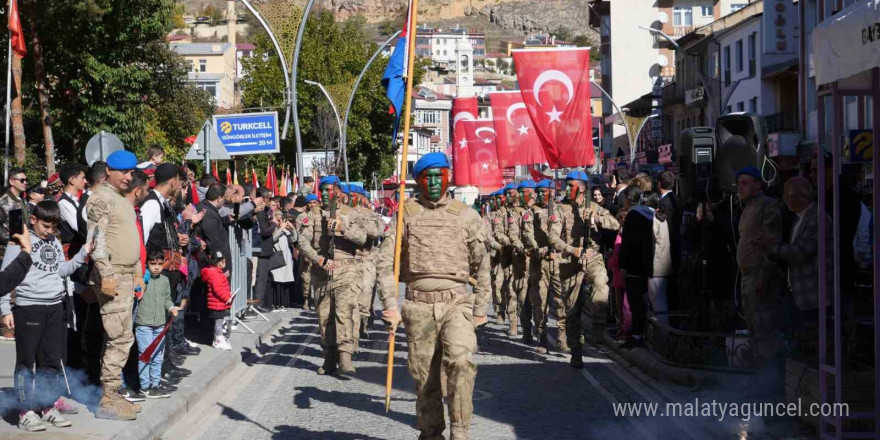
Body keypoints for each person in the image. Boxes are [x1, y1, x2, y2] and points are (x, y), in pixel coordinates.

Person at [376, 152, 490, 440]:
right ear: (419, 180)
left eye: (441, 175)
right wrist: (390, 304)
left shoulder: (466, 215)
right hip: (418, 307)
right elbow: (385, 263)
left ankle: (461, 432)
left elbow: (482, 263)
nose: (436, 182)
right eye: (429, 176)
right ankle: (430, 433)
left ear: (449, 177)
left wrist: (480, 307)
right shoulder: (405, 215)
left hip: (456, 304)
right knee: (424, 378)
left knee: (462, 362)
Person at [0, 201, 88, 431]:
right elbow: (6, 277)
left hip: (54, 306)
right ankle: (25, 411)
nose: (49, 231)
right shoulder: (20, 241)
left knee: (51, 362)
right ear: (33, 220)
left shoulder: (55, 241)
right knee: (26, 362)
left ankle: (47, 406)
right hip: (29, 307)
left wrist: (82, 255)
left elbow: (60, 270)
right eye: (45, 226)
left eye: (53, 227)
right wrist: (5, 309)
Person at [86, 150, 145, 421]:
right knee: (119, 337)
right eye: (124, 172)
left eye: (131, 172)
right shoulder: (101, 199)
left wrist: (136, 273)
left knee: (121, 336)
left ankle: (112, 392)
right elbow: (95, 243)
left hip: (124, 276)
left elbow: (130, 240)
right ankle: (109, 398)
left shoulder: (121, 200)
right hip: (112, 278)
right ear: (109, 170)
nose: (128, 177)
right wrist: (107, 275)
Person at [549, 171, 619, 363]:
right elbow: (553, 238)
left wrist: (596, 219)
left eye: (570, 185)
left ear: (581, 188)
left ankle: (597, 328)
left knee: (601, 286)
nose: (566, 189)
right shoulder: (560, 209)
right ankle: (576, 349)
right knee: (572, 309)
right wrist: (573, 250)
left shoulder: (594, 206)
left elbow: (615, 224)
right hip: (571, 261)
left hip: (593, 258)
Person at [770, 177, 830, 357]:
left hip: (812, 293)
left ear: (799, 197)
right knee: (798, 340)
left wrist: (772, 247)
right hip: (799, 291)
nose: (784, 199)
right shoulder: (800, 218)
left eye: (787, 195)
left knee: (809, 343)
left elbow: (800, 251)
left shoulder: (816, 219)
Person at [735, 166, 783, 365]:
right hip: (747, 275)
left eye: (745, 183)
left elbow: (771, 244)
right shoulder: (747, 208)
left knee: (763, 325)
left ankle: (769, 370)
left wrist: (764, 275)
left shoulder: (767, 206)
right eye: (739, 184)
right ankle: (759, 369)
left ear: (757, 184)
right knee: (752, 324)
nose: (740, 188)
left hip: (759, 274)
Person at [522, 179, 561, 354]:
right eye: (540, 191)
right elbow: (528, 235)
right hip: (540, 261)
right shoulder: (531, 212)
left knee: (562, 300)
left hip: (560, 261)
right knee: (540, 300)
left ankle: (564, 335)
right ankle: (542, 334)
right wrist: (539, 250)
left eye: (546, 191)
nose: (542, 194)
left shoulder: (561, 210)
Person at [134, 250, 179, 399]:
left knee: (157, 357)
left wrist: (171, 307)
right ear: (147, 264)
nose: (157, 267)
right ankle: (144, 387)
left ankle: (155, 384)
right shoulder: (142, 279)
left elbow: (167, 298)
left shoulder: (164, 280)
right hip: (144, 324)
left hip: (160, 325)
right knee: (146, 356)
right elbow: (136, 295)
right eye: (153, 264)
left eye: (160, 264)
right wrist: (140, 285)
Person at [618, 186, 653, 349]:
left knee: (635, 303)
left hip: (633, 266)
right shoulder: (649, 213)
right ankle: (643, 334)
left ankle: (638, 336)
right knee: (644, 302)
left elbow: (627, 244)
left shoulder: (633, 215)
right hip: (647, 264)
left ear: (628, 198)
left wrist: (623, 266)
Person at [352, 186, 384, 342]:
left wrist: (361, 221)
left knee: (366, 292)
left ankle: (363, 323)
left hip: (367, 258)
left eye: (353, 196)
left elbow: (377, 232)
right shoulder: (343, 214)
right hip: (349, 259)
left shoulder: (371, 215)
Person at [657, 171, 681, 308]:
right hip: (676, 244)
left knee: (669, 286)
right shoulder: (677, 199)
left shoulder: (665, 203)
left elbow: (667, 227)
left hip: (669, 247)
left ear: (659, 184)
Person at [202, 250, 233, 350]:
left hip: (217, 303)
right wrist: (227, 297)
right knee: (219, 323)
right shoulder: (215, 274)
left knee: (219, 322)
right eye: (224, 261)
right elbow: (218, 289)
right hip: (218, 303)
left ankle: (219, 338)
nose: (225, 262)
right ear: (220, 262)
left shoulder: (215, 272)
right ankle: (218, 340)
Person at [0, 167, 28, 259]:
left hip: (23, 248)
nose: (25, 182)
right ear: (12, 181)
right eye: (22, 180)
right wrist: (8, 239)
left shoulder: (23, 200)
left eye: (26, 180)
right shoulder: (3, 202)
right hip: (8, 251)